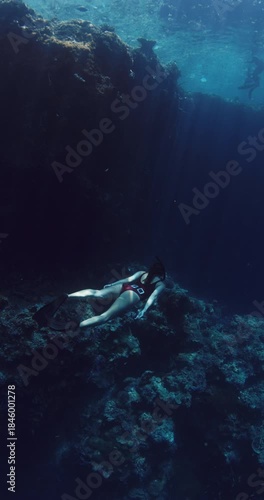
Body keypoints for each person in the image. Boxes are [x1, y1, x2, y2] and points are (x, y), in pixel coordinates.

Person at [33, 258, 166, 331]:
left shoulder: (142, 272)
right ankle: (75, 326)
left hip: (124, 287)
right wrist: (144, 310)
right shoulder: (160, 284)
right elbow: (152, 298)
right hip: (134, 294)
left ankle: (67, 296)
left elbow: (127, 280)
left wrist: (112, 285)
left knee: (96, 293)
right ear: (161, 274)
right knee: (105, 317)